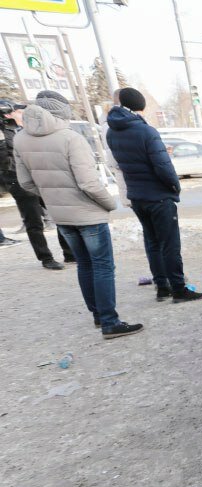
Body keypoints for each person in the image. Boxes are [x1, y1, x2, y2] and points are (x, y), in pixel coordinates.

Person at [14, 91, 143, 339]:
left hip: (60, 214)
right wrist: (109, 204)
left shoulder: (21, 139)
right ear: (61, 113)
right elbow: (89, 184)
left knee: (84, 264)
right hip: (88, 213)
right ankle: (110, 322)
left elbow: (26, 183)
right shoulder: (71, 138)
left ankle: (98, 315)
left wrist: (51, 198)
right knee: (103, 266)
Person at [106, 87, 202, 304]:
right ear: (141, 107)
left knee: (152, 242)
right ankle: (178, 289)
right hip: (158, 196)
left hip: (136, 196)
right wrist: (174, 187)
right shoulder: (146, 131)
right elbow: (163, 168)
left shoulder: (112, 132)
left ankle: (162, 287)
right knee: (170, 244)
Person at [1, 98, 74, 269]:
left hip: (39, 176)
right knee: (34, 221)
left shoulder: (27, 130)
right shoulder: (5, 133)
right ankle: (46, 258)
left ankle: (69, 253)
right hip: (16, 179)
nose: (23, 114)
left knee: (58, 214)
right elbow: (5, 161)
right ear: (10, 114)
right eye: (19, 111)